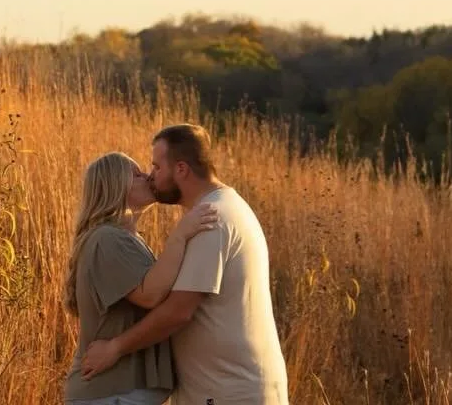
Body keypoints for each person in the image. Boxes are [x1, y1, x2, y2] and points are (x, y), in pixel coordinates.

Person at [81, 123, 288, 405]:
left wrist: (115, 348)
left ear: (181, 169)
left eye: (156, 167)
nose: (152, 176)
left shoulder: (212, 219)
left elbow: (179, 311)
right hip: (223, 389)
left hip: (229, 392)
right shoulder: (224, 207)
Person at [64, 149, 221, 405]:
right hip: (109, 393)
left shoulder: (126, 239)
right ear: (114, 186)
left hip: (118, 394)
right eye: (136, 174)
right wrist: (180, 235)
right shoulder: (107, 239)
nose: (148, 177)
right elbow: (150, 295)